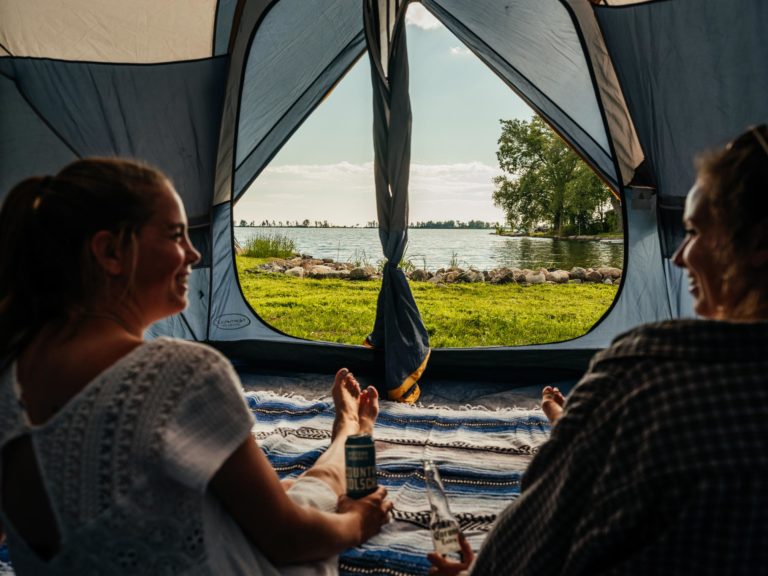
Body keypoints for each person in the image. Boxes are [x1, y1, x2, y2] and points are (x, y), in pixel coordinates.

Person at [0, 158, 392, 575]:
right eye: (175, 235)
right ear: (111, 252)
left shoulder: (10, 374)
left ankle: (351, 430)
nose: (193, 254)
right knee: (317, 491)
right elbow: (288, 540)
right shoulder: (177, 374)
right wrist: (357, 523)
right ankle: (354, 430)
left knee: (290, 489)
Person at [429, 124, 768, 575]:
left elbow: (517, 559)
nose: (681, 256)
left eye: (694, 231)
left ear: (760, 243)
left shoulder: (644, 380)